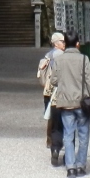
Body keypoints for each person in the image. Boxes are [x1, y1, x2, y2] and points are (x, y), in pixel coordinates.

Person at [47, 30, 90, 178]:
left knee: (68, 135)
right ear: (77, 44)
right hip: (82, 103)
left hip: (65, 103)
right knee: (83, 135)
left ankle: (70, 168)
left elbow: (53, 80)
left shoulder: (59, 60)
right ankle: (80, 165)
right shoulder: (84, 59)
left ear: (65, 44)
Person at [38, 31, 66, 165]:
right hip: (58, 91)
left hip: (47, 90)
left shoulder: (47, 55)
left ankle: (50, 140)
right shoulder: (61, 56)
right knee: (62, 119)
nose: (64, 43)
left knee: (50, 116)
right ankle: (60, 143)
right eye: (62, 41)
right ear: (56, 43)